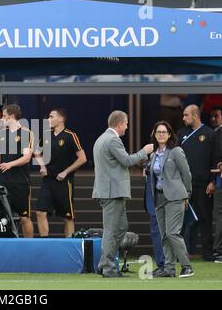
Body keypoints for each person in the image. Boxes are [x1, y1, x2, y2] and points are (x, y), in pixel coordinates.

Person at [92, 110, 153, 278]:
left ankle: (104, 264)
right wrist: (144, 151)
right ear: (119, 124)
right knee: (112, 231)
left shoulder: (101, 138)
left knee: (121, 227)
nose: (127, 127)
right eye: (126, 124)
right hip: (112, 193)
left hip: (110, 192)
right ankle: (109, 269)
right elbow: (126, 161)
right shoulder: (112, 140)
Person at [148, 121, 194, 278]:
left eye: (164, 132)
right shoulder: (153, 154)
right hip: (159, 197)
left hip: (175, 197)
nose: (161, 134)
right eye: (158, 132)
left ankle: (187, 266)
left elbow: (186, 174)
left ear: (169, 135)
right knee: (164, 235)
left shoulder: (176, 151)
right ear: (154, 135)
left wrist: (187, 194)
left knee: (173, 233)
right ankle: (169, 268)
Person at [34, 109, 87, 238]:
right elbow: (36, 152)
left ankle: (70, 246)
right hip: (48, 180)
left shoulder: (70, 135)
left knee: (67, 217)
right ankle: (44, 244)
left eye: (51, 117)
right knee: (40, 212)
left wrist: (66, 171)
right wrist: (42, 166)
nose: (48, 120)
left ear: (61, 119)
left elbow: (82, 158)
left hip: (64, 181)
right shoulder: (46, 134)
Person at [0, 104, 34, 238]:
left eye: (4, 116)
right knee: (3, 216)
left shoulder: (27, 133)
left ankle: (29, 246)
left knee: (24, 217)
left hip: (20, 182)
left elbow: (27, 157)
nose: (1, 119)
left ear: (12, 116)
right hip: (3, 181)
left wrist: (10, 164)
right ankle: (7, 244)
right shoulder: (2, 133)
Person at [177, 104, 215, 261]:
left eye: (186, 115)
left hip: (203, 184)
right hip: (184, 186)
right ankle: (180, 254)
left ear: (196, 116)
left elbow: (215, 158)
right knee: (181, 221)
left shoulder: (210, 134)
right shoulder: (181, 133)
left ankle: (208, 253)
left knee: (205, 219)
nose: (183, 118)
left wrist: (213, 181)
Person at [210, 106, 222, 262]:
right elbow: (215, 158)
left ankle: (218, 250)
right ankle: (218, 251)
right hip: (218, 181)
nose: (213, 118)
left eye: (216, 116)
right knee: (218, 215)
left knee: (219, 215)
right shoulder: (214, 133)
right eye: (211, 116)